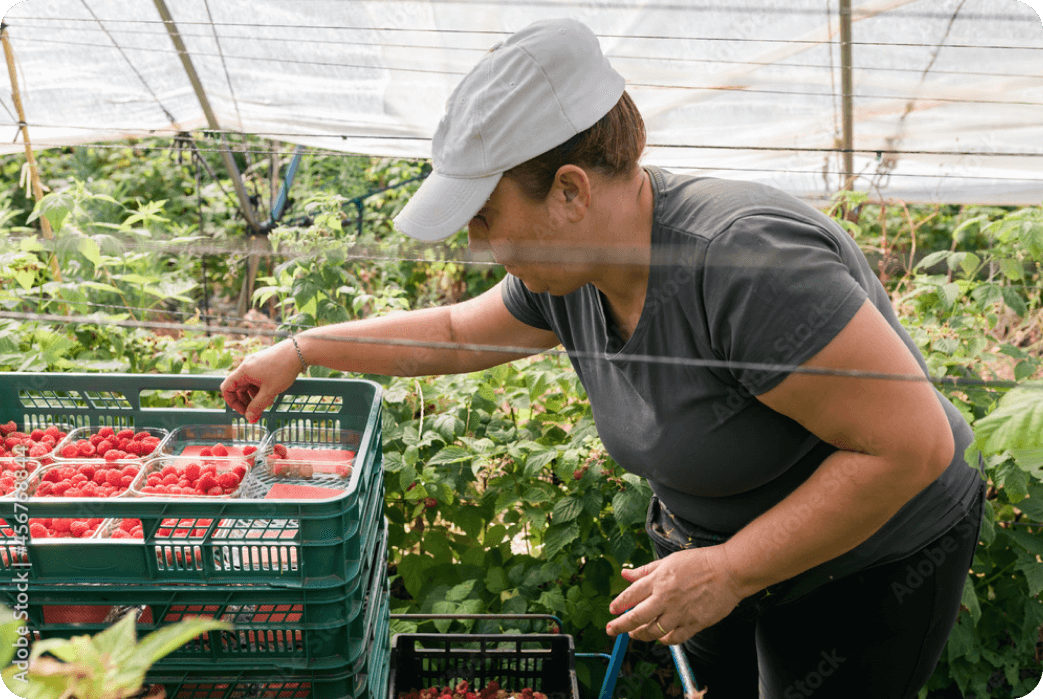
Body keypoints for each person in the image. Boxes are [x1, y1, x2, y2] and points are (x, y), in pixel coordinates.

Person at [221, 18, 984, 699]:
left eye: (486, 216)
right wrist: (304, 348)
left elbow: (909, 445)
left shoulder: (743, 265)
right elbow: (457, 333)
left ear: (569, 191)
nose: (481, 245)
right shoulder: (568, 273)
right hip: (714, 552)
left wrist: (732, 569)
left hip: (866, 560)